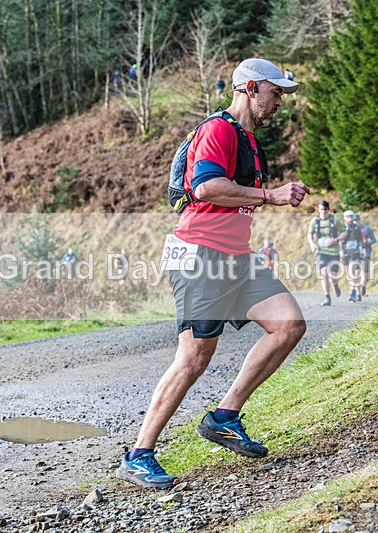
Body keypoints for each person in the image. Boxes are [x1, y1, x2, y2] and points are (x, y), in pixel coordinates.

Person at [117, 58, 309, 489]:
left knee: (289, 324)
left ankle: (224, 417)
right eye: (275, 92)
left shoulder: (249, 140)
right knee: (194, 358)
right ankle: (139, 455)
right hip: (201, 256)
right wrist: (271, 195)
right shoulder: (219, 130)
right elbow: (206, 186)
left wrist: (264, 198)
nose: (279, 101)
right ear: (251, 88)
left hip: (236, 257)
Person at [308, 200, 346, 306]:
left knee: (332, 276)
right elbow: (309, 234)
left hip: (334, 251)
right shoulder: (314, 221)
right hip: (321, 251)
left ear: (328, 210)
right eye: (321, 209)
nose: (323, 211)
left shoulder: (335, 220)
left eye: (325, 209)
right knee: (323, 273)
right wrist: (312, 243)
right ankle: (327, 297)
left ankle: (335, 285)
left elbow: (344, 232)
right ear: (318, 210)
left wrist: (336, 239)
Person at [341, 211, 376, 302]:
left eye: (355, 220)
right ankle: (356, 292)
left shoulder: (363, 229)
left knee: (364, 274)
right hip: (348, 253)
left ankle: (361, 286)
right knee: (353, 273)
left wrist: (366, 245)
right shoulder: (342, 228)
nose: (354, 221)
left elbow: (372, 239)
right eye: (353, 219)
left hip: (363, 253)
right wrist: (340, 250)